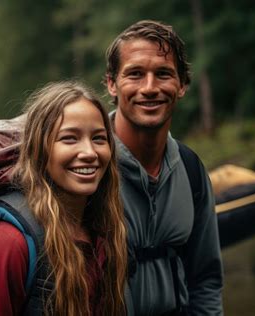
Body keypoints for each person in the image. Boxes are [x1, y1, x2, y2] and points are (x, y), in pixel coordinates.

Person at [0, 81, 128, 315]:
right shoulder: (5, 245)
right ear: (39, 150)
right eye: (69, 138)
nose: (89, 153)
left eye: (98, 139)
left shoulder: (103, 236)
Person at [105, 20, 223, 315]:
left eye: (163, 74)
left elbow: (206, 278)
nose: (149, 88)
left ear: (182, 85)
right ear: (112, 84)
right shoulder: (85, 164)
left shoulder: (191, 169)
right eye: (135, 74)